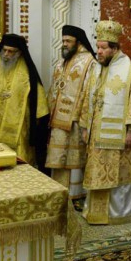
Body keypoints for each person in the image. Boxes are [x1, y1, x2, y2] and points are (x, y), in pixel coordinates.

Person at [79, 20, 131, 225]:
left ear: (115, 48)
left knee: (119, 173)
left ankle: (119, 213)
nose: (98, 52)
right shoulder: (97, 69)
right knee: (97, 171)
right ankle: (97, 212)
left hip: (120, 136)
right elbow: (87, 99)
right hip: (96, 133)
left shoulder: (130, 71)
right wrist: (85, 127)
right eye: (98, 47)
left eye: (103, 48)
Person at [46, 25, 96, 201]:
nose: (65, 44)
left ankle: (75, 194)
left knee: (74, 159)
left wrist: (82, 118)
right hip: (58, 119)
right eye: (63, 41)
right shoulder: (62, 62)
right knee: (58, 157)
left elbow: (89, 92)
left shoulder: (89, 62)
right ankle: (59, 192)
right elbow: (55, 88)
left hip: (75, 121)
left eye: (68, 41)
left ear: (78, 42)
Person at [0, 33, 49, 164]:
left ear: (18, 52)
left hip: (19, 125)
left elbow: (38, 98)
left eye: (11, 51)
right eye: (4, 50)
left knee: (18, 162)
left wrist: (39, 121)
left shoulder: (27, 72)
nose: (6, 54)